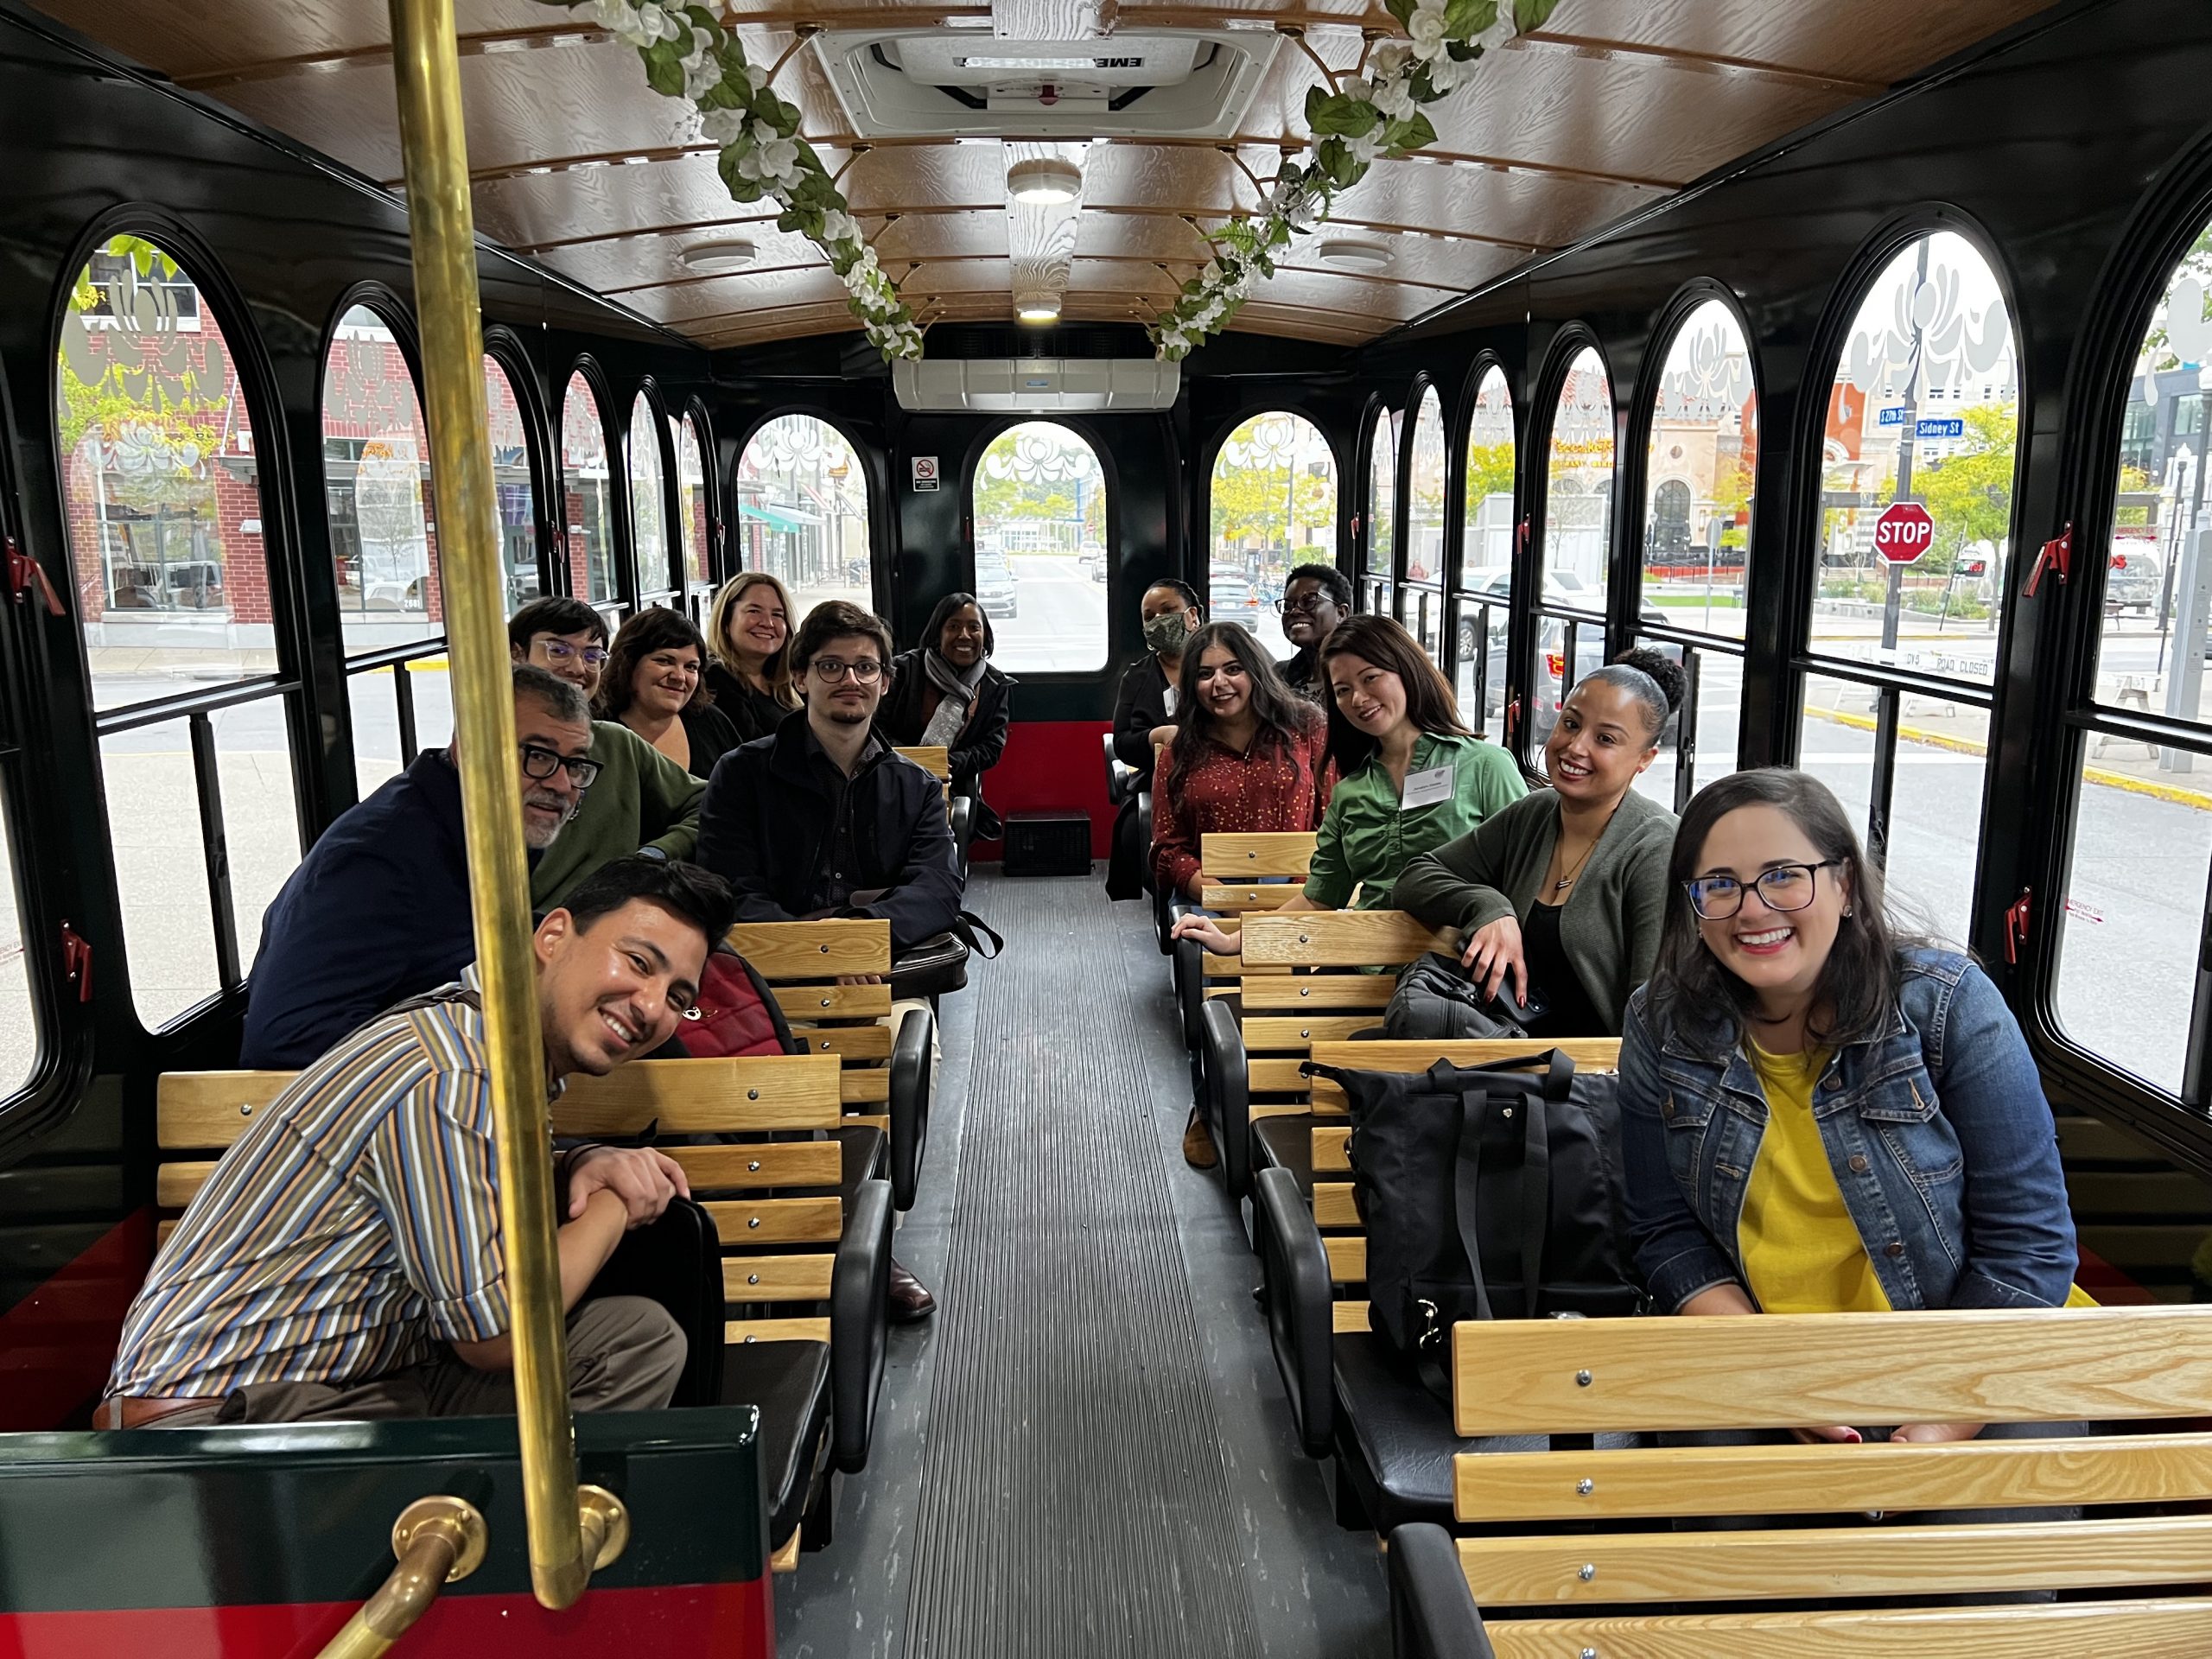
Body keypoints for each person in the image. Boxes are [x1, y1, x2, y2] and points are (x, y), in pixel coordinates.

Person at [102, 857, 735, 1427]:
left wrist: (582, 1160)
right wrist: (618, 1204)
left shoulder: (475, 1041)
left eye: (679, 997)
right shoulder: (456, 1073)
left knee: (632, 1339)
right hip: (216, 1425)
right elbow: (498, 1333)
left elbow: (459, 1180)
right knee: (625, 1345)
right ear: (552, 936)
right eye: (638, 962)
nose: (652, 1006)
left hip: (327, 1392)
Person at [1620, 767, 2089, 1465]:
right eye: (1719, 885)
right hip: (1762, 1355)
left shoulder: (1949, 1006)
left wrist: (1941, 1416)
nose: (1752, 909)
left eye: (1784, 875)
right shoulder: (1661, 1022)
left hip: (1977, 1350)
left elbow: (2030, 1247)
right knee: (1730, 1548)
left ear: (1843, 885)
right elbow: (1663, 1231)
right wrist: (1775, 1378)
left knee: (1980, 1565)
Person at [696, 601, 959, 1324]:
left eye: (866, 668)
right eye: (833, 666)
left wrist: (855, 938)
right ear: (802, 677)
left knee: (907, 1053)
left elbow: (936, 887)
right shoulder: (741, 775)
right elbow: (727, 886)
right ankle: (770, 1242)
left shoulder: (912, 786)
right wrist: (801, 948)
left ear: (884, 682)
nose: (851, 680)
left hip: (871, 976)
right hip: (760, 980)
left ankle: (869, 1242)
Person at [240, 664, 595, 1069]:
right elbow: (283, 1042)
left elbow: (449, 949)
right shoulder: (379, 861)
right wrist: (475, 1069)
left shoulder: (485, 830)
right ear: (470, 749)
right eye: (538, 755)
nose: (563, 785)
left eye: (575, 765)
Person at [1172, 615, 1525, 952]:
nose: (1357, 699)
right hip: (1365, 966)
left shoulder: (1484, 766)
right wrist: (1235, 939)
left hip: (1457, 973)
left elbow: (1526, 874)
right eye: (1343, 690)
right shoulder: (1351, 792)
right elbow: (1318, 897)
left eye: (1370, 678)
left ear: (1406, 670)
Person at [1393, 649, 1685, 1037]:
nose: (1576, 747)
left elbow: (1652, 1020)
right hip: (1504, 1052)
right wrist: (1490, 907)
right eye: (1570, 723)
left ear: (1644, 759)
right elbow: (1415, 878)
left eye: (1605, 739)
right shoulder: (1535, 813)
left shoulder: (1657, 847)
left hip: (1587, 1079)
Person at [1149, 622, 1331, 1167]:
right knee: (1218, 1001)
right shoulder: (1179, 750)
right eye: (1204, 674)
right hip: (1219, 897)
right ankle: (1208, 1101)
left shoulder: (1307, 728)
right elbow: (1165, 848)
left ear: (1255, 671)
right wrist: (1205, 883)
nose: (1219, 683)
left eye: (1232, 669)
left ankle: (1295, 1098)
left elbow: (1333, 817)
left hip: (1304, 893)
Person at [508, 596, 705, 908]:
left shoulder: (615, 744)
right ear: (515, 655)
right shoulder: (484, 756)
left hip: (610, 925)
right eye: (558, 650)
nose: (577, 668)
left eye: (591, 655)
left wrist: (653, 855)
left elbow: (710, 802)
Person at [876, 591, 1014, 838]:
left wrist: (947, 763)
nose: (964, 635)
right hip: (892, 775)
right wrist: (910, 760)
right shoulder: (903, 671)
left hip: (953, 784)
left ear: (985, 636)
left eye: (974, 627)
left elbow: (992, 747)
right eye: (953, 626)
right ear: (938, 634)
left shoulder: (995, 685)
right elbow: (877, 727)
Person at [1105, 578, 1204, 899]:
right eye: (1150, 617)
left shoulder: (1218, 669)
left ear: (1192, 616)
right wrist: (1155, 737)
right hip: (1157, 780)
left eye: (1168, 611)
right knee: (1136, 828)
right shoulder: (1136, 677)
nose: (1159, 621)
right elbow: (1122, 742)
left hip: (1217, 776)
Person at [596, 605, 745, 780]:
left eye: (691, 667)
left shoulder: (712, 722)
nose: (679, 677)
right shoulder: (598, 734)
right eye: (665, 661)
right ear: (628, 663)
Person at [703, 570, 802, 741]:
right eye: (754, 611)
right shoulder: (715, 680)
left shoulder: (787, 684)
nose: (768, 623)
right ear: (726, 621)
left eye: (777, 614)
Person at [1277, 562, 1351, 704]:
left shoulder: (1358, 677)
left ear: (1341, 613)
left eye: (1309, 601)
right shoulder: (1279, 676)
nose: (1295, 611)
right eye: (1287, 606)